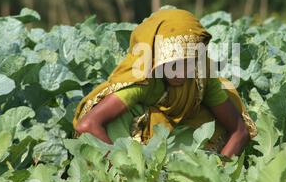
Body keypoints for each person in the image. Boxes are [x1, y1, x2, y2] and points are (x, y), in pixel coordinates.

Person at [72, 8, 257, 158]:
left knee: (215, 124)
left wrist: (218, 174)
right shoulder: (145, 79)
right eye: (174, 64)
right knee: (115, 120)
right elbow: (87, 125)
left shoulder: (202, 77)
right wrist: (119, 169)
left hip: (179, 148)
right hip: (135, 154)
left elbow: (239, 130)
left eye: (189, 62)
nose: (182, 72)